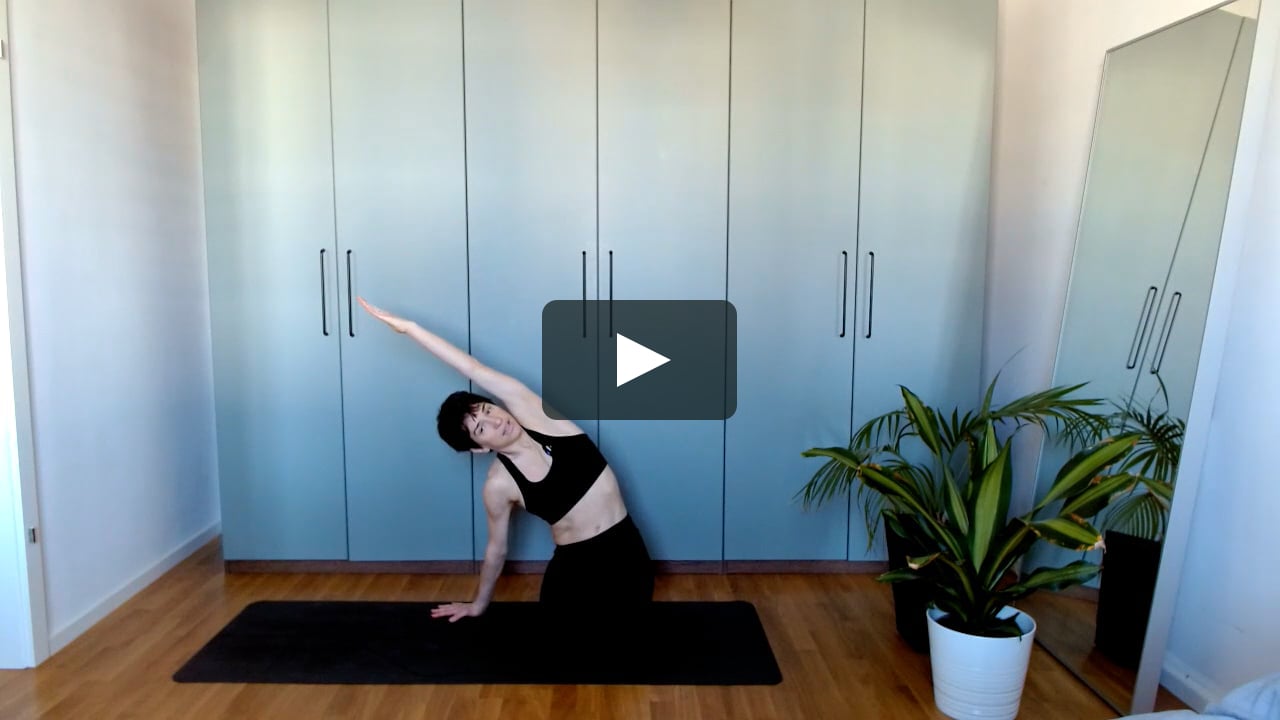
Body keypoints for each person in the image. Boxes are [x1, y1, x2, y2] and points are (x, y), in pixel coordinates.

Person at [357, 297, 655, 623]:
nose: (497, 421)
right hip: (574, 567)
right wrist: (478, 604)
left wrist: (410, 328)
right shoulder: (499, 484)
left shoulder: (539, 417)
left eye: (488, 409)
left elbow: (473, 368)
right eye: (481, 428)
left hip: (627, 553)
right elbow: (496, 549)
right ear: (478, 448)